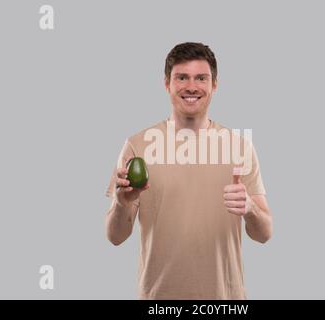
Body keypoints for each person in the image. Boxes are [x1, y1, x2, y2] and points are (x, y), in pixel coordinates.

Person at [105, 42, 273, 300]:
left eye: (201, 78)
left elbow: (264, 234)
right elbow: (115, 237)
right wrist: (121, 203)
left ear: (214, 85)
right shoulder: (137, 145)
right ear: (166, 84)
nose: (191, 87)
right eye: (181, 77)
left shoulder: (239, 146)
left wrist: (249, 207)